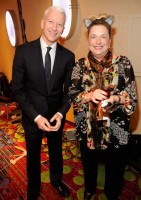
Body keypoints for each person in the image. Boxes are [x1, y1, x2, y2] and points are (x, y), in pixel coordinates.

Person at [68, 14, 137, 200]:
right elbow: (71, 94)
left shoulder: (123, 64)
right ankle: (89, 188)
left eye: (103, 36)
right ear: (88, 38)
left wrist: (116, 98)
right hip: (87, 128)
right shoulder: (79, 66)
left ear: (110, 39)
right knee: (88, 163)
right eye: (93, 36)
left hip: (116, 129)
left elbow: (132, 101)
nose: (98, 41)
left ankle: (112, 192)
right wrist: (88, 95)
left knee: (115, 166)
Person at [12, 6, 75, 200]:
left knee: (56, 151)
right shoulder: (23, 52)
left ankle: (56, 180)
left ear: (63, 29)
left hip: (56, 116)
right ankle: (33, 189)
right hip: (32, 116)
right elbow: (18, 89)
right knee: (33, 155)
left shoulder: (68, 56)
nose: (55, 28)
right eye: (51, 22)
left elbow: (70, 91)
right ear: (42, 23)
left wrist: (60, 113)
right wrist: (36, 116)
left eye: (60, 25)